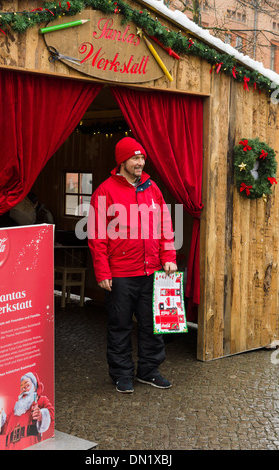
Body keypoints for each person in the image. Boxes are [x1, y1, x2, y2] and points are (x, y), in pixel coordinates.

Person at [88, 136, 177, 393]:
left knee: (152, 326)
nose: (140, 163)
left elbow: (165, 225)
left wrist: (168, 257)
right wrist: (103, 271)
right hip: (121, 274)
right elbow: (96, 236)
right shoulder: (104, 191)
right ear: (122, 161)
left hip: (152, 270)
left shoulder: (152, 188)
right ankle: (122, 374)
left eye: (142, 158)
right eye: (135, 158)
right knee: (120, 326)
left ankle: (149, 371)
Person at [0, 372, 54, 449]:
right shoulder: (15, 411)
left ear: (34, 388)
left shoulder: (40, 400)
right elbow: (3, 429)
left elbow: (52, 414)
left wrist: (41, 415)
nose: (23, 389)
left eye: (27, 385)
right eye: (21, 387)